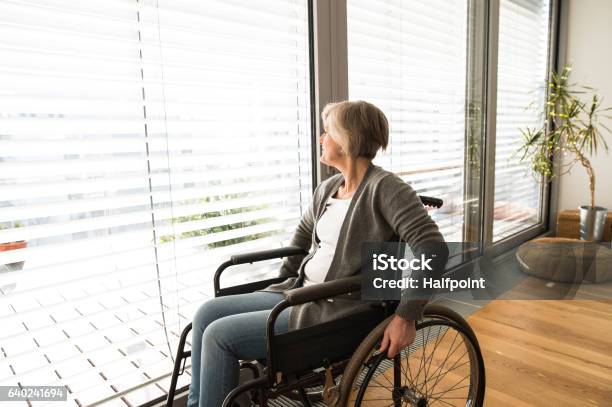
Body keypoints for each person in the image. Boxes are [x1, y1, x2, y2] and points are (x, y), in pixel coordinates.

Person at [187, 100, 448, 407]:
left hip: (338, 309)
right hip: (300, 295)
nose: (322, 139)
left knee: (220, 336)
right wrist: (281, 288)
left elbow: (433, 248)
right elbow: (300, 244)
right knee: (205, 314)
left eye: (328, 132)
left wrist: (406, 316)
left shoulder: (387, 188)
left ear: (348, 139)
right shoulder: (327, 188)